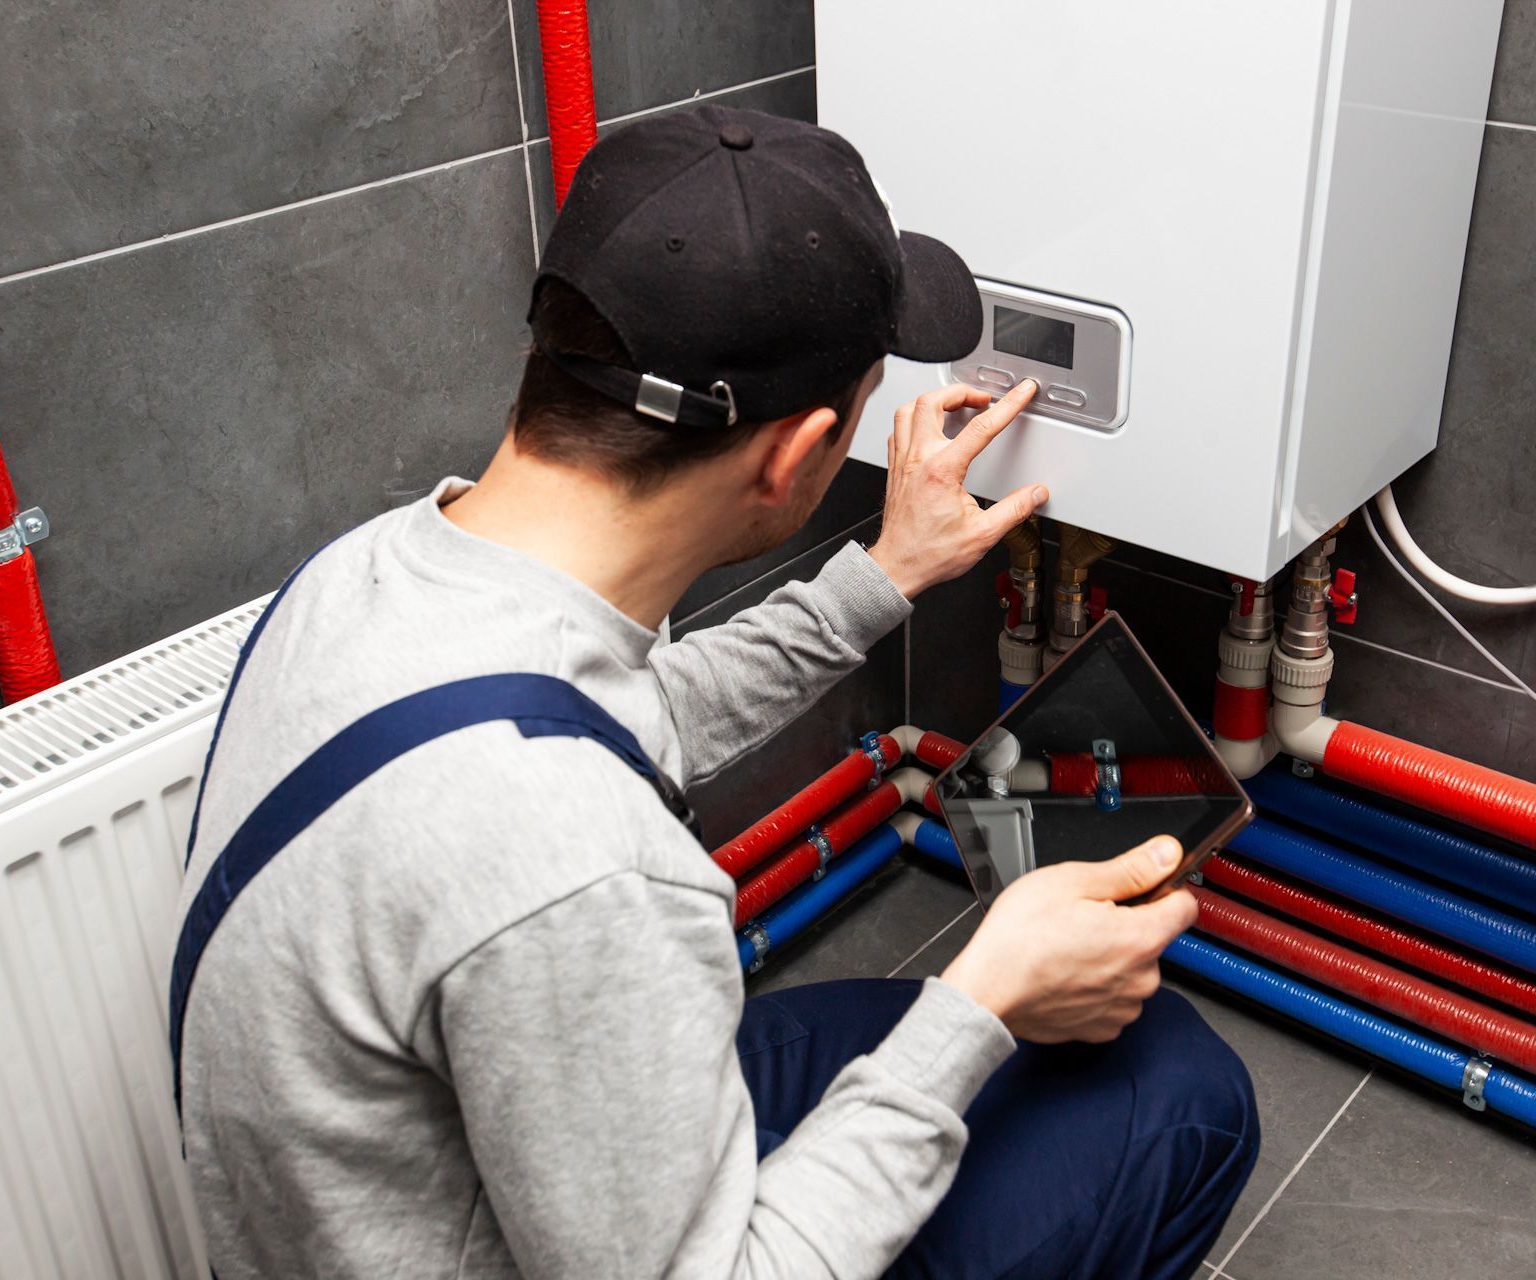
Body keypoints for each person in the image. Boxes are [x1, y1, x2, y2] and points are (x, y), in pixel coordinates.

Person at [172, 105, 1258, 1279]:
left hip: (448, 1180)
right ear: (795, 456)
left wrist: (882, 573)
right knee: (1187, 1098)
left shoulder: (373, 573)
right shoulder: (575, 865)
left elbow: (614, 721)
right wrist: (982, 994)